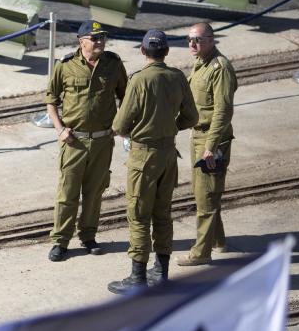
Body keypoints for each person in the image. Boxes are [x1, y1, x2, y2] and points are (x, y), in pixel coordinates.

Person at [108, 30, 198, 294]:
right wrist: (169, 127)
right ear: (166, 52)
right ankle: (161, 272)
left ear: (143, 51)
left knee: (138, 215)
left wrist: (137, 131)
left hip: (143, 157)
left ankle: (137, 277)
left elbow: (120, 124)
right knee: (163, 214)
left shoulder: (138, 80)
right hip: (168, 155)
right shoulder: (177, 77)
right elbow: (191, 117)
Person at [44, 20, 128, 262]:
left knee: (95, 193)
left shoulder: (113, 64)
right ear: (82, 42)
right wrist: (60, 129)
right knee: (67, 194)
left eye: (102, 37)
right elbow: (51, 100)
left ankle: (89, 236)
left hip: (103, 142)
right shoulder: (66, 65)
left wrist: (120, 126)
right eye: (95, 38)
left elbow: (126, 96)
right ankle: (60, 241)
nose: (100, 41)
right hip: (74, 142)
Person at [178, 22, 238, 266]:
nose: (192, 44)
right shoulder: (201, 63)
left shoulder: (219, 68)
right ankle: (218, 240)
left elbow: (223, 112)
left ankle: (201, 252)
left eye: (198, 40)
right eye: (189, 39)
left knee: (206, 197)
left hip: (212, 138)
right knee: (206, 192)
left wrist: (210, 147)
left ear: (212, 40)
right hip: (199, 135)